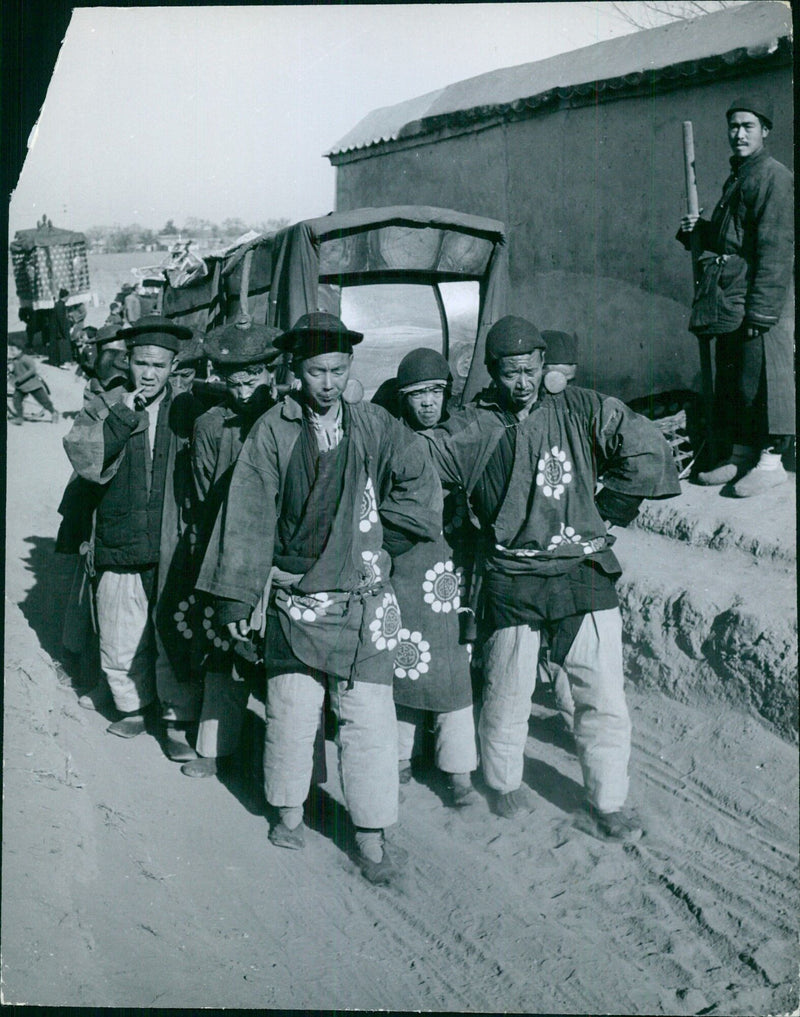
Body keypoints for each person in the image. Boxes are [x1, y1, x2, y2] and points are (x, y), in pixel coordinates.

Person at [197, 312, 441, 884]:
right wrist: (237, 598)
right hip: (293, 598)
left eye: (336, 369)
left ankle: (371, 831)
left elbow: (419, 481)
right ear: (294, 372)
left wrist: (379, 537)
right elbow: (249, 516)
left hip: (362, 599)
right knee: (291, 710)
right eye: (314, 371)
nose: (327, 383)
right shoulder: (273, 431)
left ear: (349, 367)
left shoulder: (376, 424)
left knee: (369, 719)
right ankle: (287, 810)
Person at [422, 315, 681, 840]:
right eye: (510, 372)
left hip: (583, 570)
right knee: (507, 692)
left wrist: (612, 505)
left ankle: (608, 801)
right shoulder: (474, 427)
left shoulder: (583, 408)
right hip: (513, 576)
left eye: (531, 370)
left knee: (602, 694)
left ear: (545, 366)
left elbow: (647, 446)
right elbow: (418, 464)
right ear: (493, 372)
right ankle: (504, 782)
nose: (522, 382)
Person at [62, 315, 203, 760]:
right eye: (141, 363)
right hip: (120, 536)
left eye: (159, 366)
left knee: (172, 634)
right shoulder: (106, 402)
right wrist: (125, 415)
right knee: (121, 630)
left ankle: (177, 718)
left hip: (170, 540)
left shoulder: (189, 406)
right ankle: (132, 705)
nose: (148, 373)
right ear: (129, 361)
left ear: (173, 366)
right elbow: (85, 458)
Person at [376, 348, 478, 806]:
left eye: (435, 392)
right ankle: (399, 755)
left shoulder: (462, 437)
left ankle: (458, 768)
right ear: (403, 399)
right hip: (405, 562)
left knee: (454, 666)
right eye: (417, 395)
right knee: (404, 657)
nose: (428, 404)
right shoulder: (389, 438)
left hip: (452, 562)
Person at [181, 317, 282, 779]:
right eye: (234, 383)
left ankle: (281, 765)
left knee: (282, 658)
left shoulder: (288, 421)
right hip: (229, 550)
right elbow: (203, 498)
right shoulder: (209, 426)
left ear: (273, 373)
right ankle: (215, 747)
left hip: (281, 555)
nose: (243, 392)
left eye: (253, 380)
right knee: (224, 645)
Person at [678, 95, 794, 497]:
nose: (738, 133)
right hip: (733, 294)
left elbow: (775, 248)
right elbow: (734, 238)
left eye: (748, 126)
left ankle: (771, 462)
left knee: (763, 377)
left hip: (762, 295)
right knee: (737, 377)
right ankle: (741, 456)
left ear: (765, 131)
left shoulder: (773, 176)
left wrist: (762, 312)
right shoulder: (740, 175)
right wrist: (701, 230)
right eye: (733, 126)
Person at [8, 339, 59, 424]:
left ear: (20, 350)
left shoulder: (26, 359)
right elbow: (15, 370)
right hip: (21, 386)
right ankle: (20, 417)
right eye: (10, 350)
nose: (11, 352)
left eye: (13, 350)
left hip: (33, 385)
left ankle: (54, 412)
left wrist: (20, 379)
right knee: (16, 401)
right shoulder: (14, 360)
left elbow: (32, 370)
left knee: (44, 401)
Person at [51, 288, 73, 368]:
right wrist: (65, 331)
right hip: (61, 331)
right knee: (64, 347)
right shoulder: (61, 306)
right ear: (66, 296)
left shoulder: (58, 305)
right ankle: (64, 363)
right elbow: (62, 320)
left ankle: (59, 362)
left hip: (58, 331)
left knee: (59, 347)